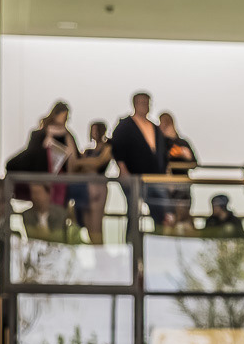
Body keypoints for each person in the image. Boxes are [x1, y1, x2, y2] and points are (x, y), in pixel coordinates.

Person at [110, 92, 171, 226]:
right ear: (135, 104)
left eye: (147, 103)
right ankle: (132, 238)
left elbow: (163, 153)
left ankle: (159, 235)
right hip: (134, 177)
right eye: (142, 103)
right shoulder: (126, 125)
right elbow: (117, 147)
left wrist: (165, 174)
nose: (145, 106)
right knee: (134, 213)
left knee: (162, 212)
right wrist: (123, 170)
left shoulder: (154, 127)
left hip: (155, 178)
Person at [70, 121, 113, 244]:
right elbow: (76, 167)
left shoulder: (107, 147)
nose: (94, 133)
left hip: (98, 188)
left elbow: (98, 163)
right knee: (87, 226)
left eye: (96, 130)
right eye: (92, 130)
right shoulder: (88, 151)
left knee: (96, 228)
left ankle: (99, 252)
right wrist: (85, 164)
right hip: (84, 188)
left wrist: (81, 163)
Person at [158, 112, 198, 226]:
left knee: (183, 216)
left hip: (181, 185)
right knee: (166, 218)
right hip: (164, 185)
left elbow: (194, 163)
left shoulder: (182, 143)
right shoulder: (159, 144)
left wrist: (184, 154)